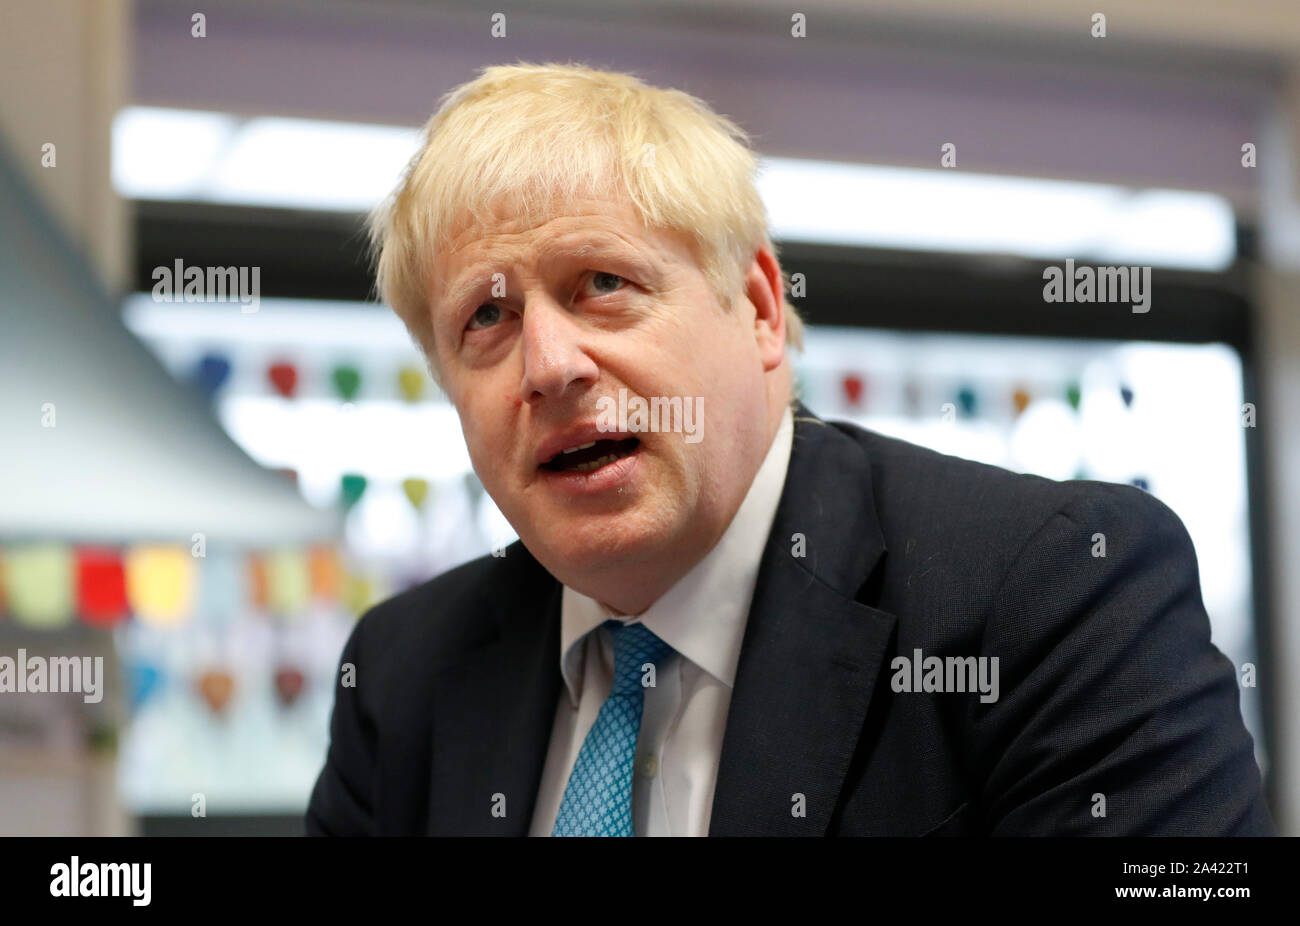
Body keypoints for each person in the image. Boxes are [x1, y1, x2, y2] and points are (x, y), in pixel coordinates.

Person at [306, 62, 1273, 836]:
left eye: (603, 281)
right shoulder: (404, 676)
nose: (550, 365)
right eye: (486, 317)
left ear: (760, 308)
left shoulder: (1053, 592)